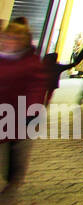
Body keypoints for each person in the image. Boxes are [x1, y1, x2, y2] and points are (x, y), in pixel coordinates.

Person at [0, 20, 46, 191]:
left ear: (24, 41)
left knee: (13, 146)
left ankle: (13, 174)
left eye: (16, 38)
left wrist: (30, 111)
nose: (10, 41)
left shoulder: (31, 63)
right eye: (8, 37)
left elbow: (37, 87)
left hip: (17, 113)